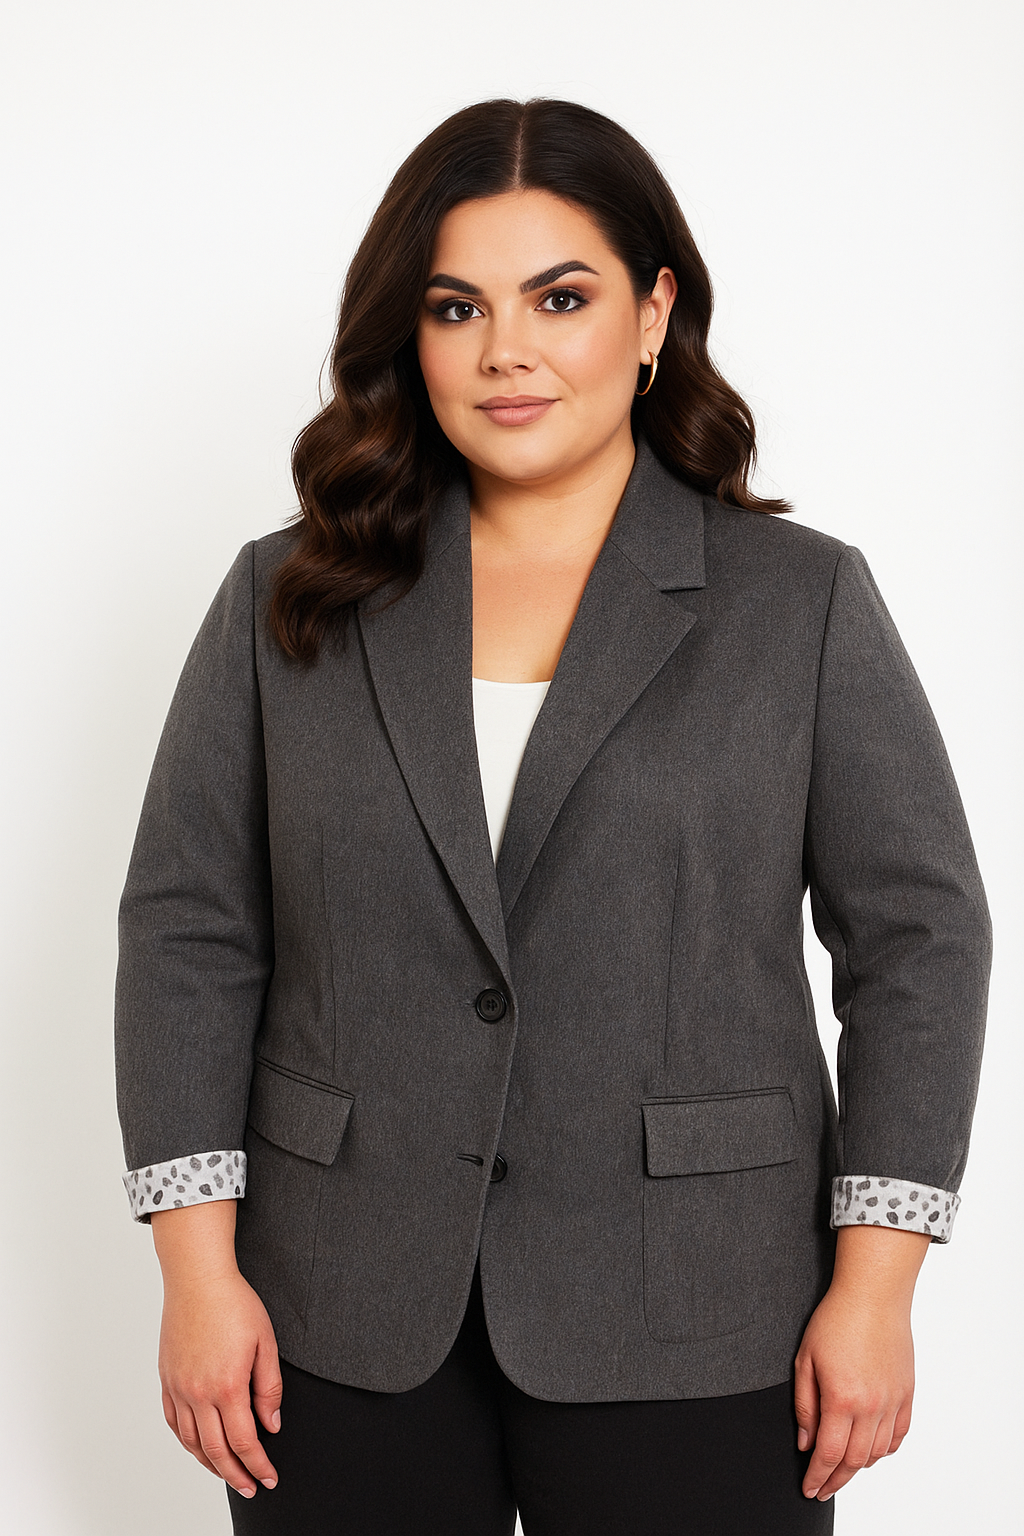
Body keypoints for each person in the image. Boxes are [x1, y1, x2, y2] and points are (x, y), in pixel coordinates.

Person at [114, 98, 991, 1536]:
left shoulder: (800, 604)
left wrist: (876, 1281)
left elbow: (922, 941)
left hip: (700, 1302)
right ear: (410, 334)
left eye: (561, 298)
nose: (505, 350)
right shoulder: (290, 601)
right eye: (456, 306)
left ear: (652, 316)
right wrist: (197, 1277)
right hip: (335, 1307)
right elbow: (189, 935)